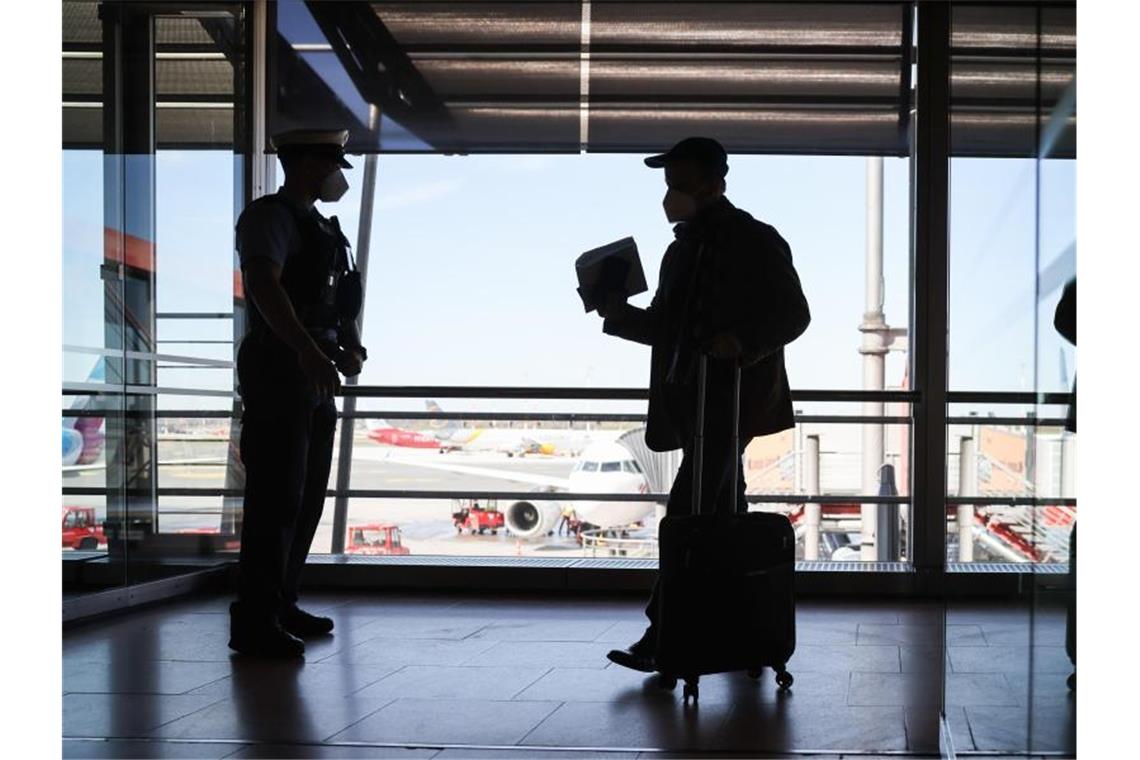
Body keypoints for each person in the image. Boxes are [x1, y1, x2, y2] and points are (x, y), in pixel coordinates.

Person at [596, 137, 810, 672]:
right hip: (694, 406)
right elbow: (669, 329)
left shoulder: (754, 241)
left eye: (681, 184)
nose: (672, 195)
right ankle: (745, 630)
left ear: (715, 183)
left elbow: (794, 314)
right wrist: (617, 312)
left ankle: (665, 636)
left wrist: (742, 343)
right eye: (670, 185)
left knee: (688, 516)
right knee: (723, 516)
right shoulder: (681, 250)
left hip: (728, 405)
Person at [229, 128, 368, 658]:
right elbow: (264, 288)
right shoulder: (271, 218)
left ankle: (281, 603)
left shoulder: (323, 231)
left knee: (305, 495)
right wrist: (308, 349)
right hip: (281, 370)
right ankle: (255, 620)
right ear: (309, 165)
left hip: (312, 375)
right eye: (335, 166)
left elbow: (338, 300)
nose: (339, 178)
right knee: (276, 497)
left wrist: (348, 347)